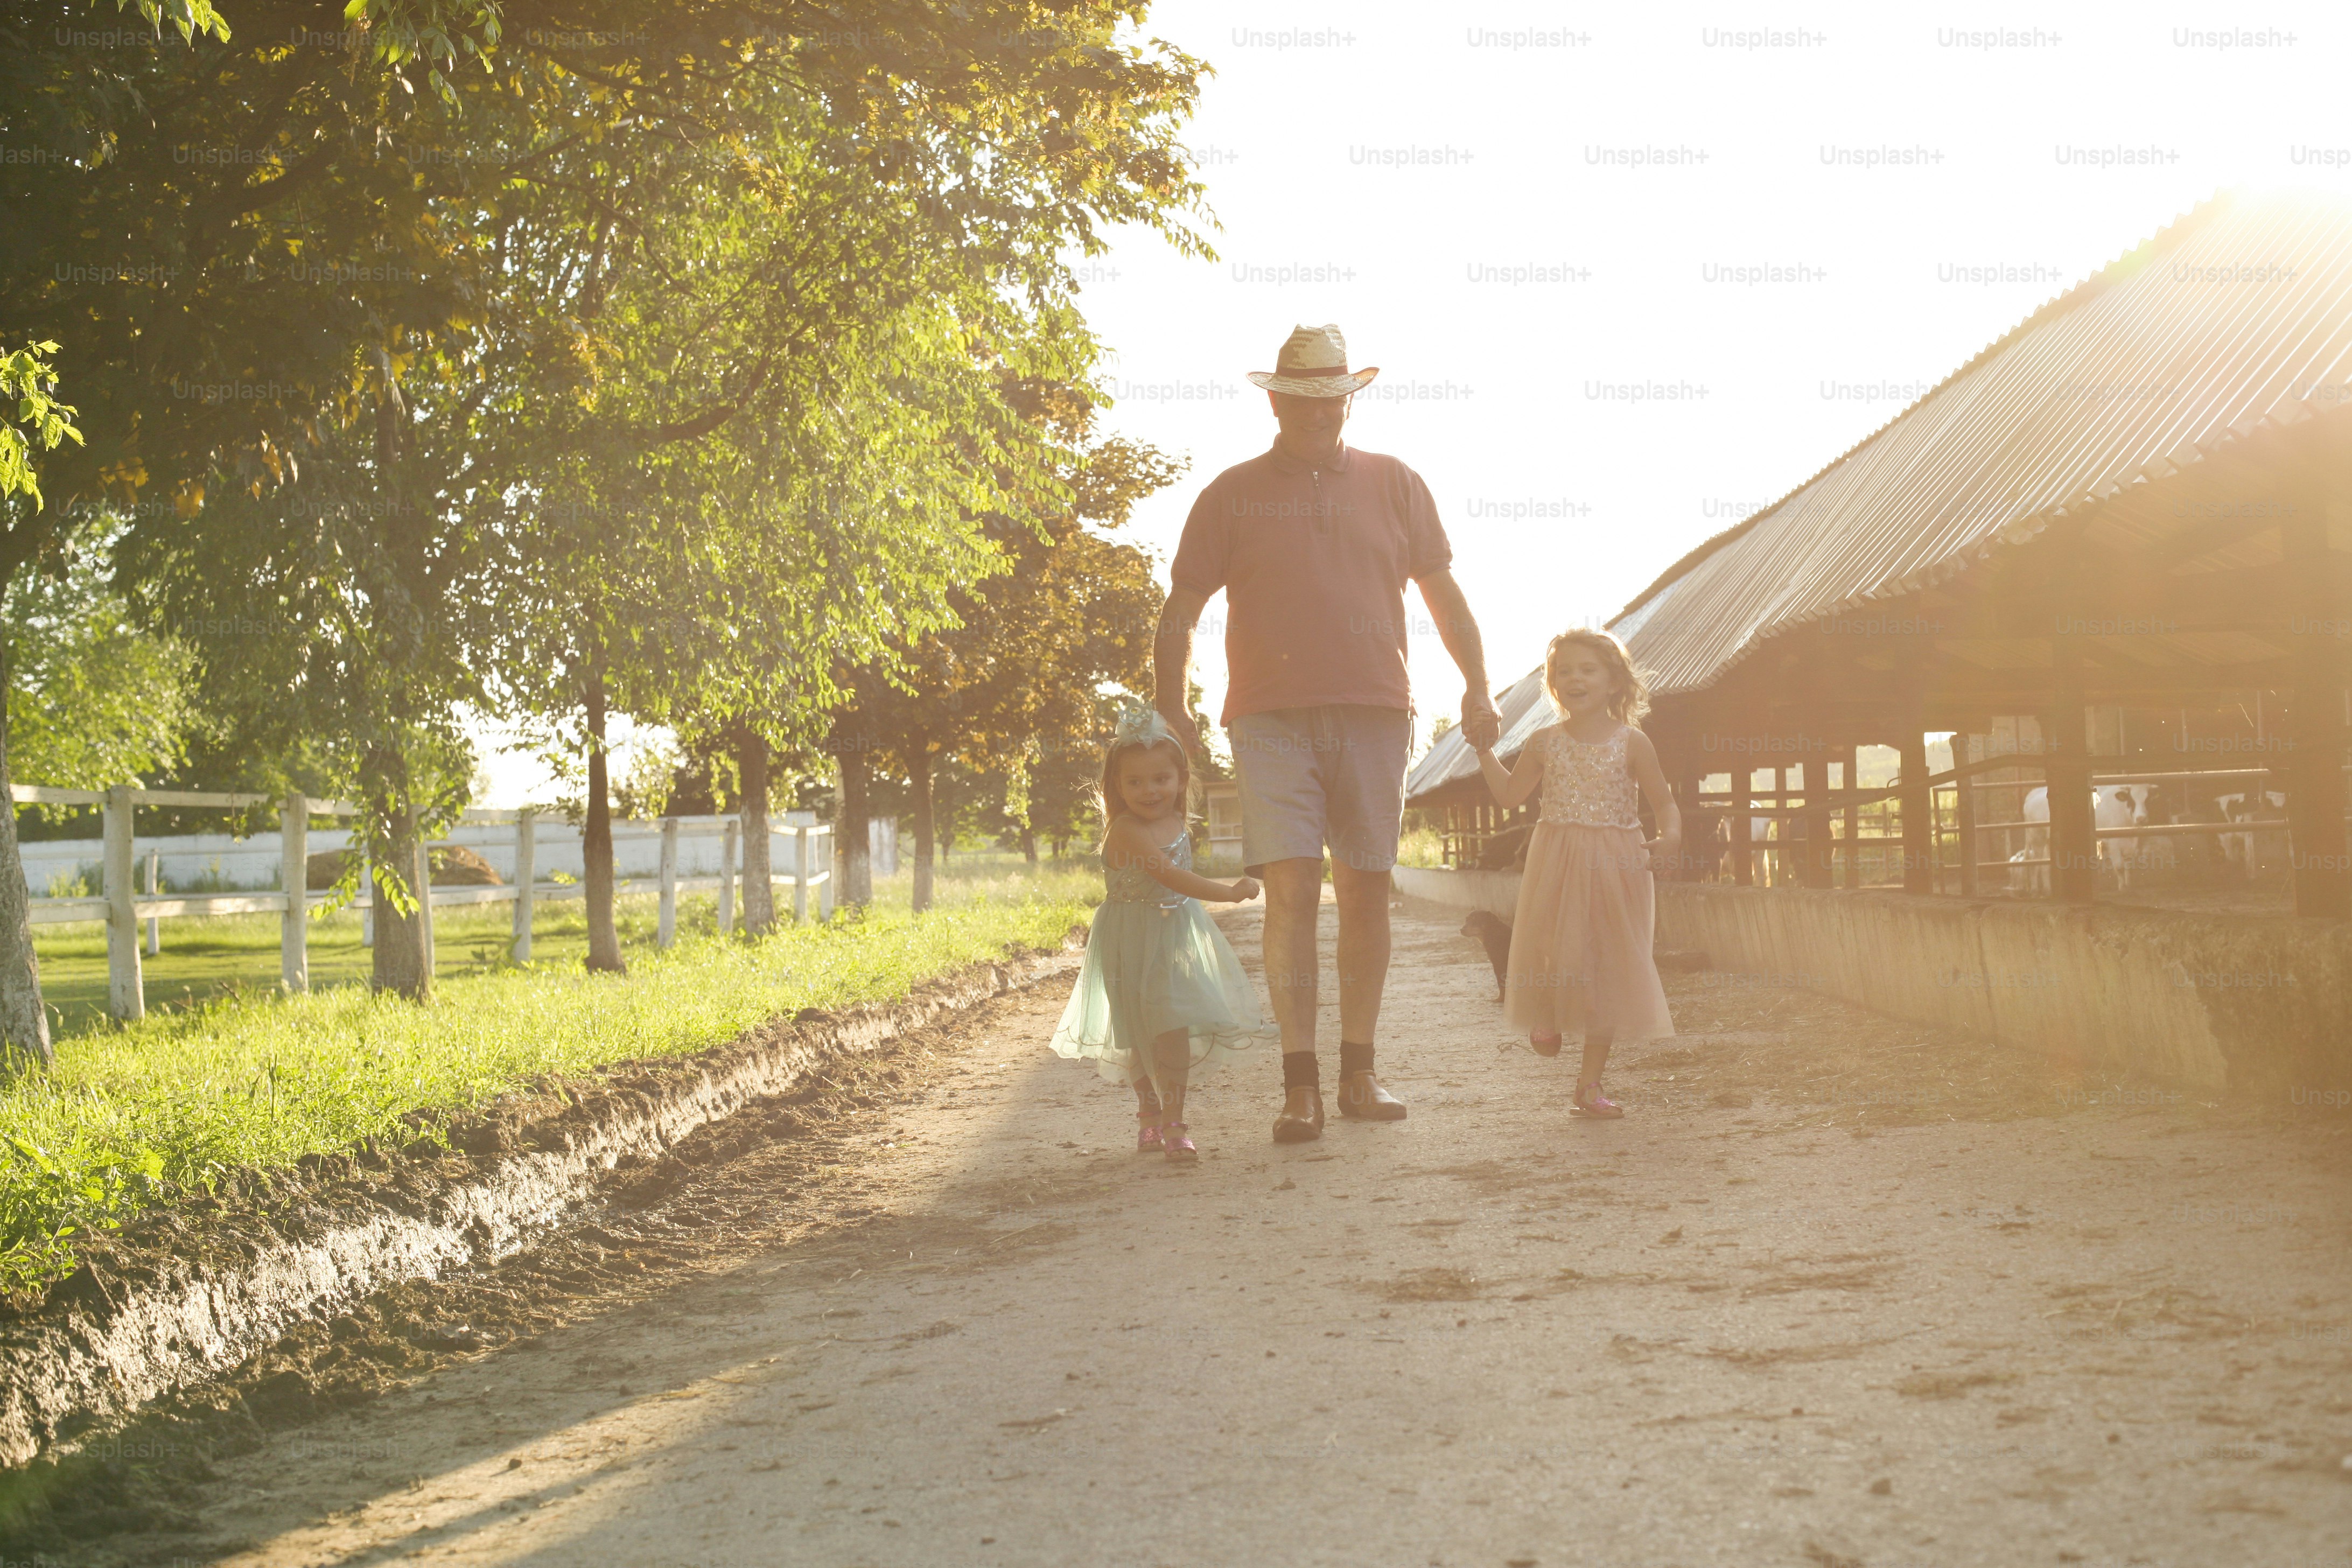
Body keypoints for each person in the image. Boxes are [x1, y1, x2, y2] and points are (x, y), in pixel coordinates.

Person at [1154, 323, 1502, 1144]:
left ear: (1351, 399)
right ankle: (1299, 1085)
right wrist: (1172, 709)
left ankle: (1360, 1071)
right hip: (1269, 717)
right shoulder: (1231, 494)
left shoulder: (1397, 484)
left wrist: (1478, 684)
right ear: (1274, 400)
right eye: (1300, 398)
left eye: (1331, 398)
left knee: (1368, 890)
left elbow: (1446, 597)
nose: (1316, 413)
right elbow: (1182, 609)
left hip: (1377, 709)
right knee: (1292, 893)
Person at [1047, 707, 1272, 1162]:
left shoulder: (1178, 823)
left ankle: (1174, 1121)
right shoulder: (1126, 830)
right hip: (1130, 937)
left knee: (1172, 1027)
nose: (1149, 791)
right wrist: (1229, 893)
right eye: (1135, 783)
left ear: (1180, 778)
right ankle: (1148, 1111)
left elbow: (1178, 875)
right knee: (1140, 1031)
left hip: (1174, 938)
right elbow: (1169, 875)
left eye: (1160, 779)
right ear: (1118, 787)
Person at [1471, 629, 1679, 1117]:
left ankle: (1589, 1084)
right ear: (1553, 683)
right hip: (1557, 860)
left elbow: (1665, 804)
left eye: (1587, 669)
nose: (1574, 678)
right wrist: (1484, 752)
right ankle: (1546, 1013)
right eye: (1564, 670)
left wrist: (1671, 837)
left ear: (1613, 682)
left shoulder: (1634, 742)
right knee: (1553, 944)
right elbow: (1508, 797)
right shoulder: (1544, 742)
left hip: (1618, 863)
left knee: (1607, 967)